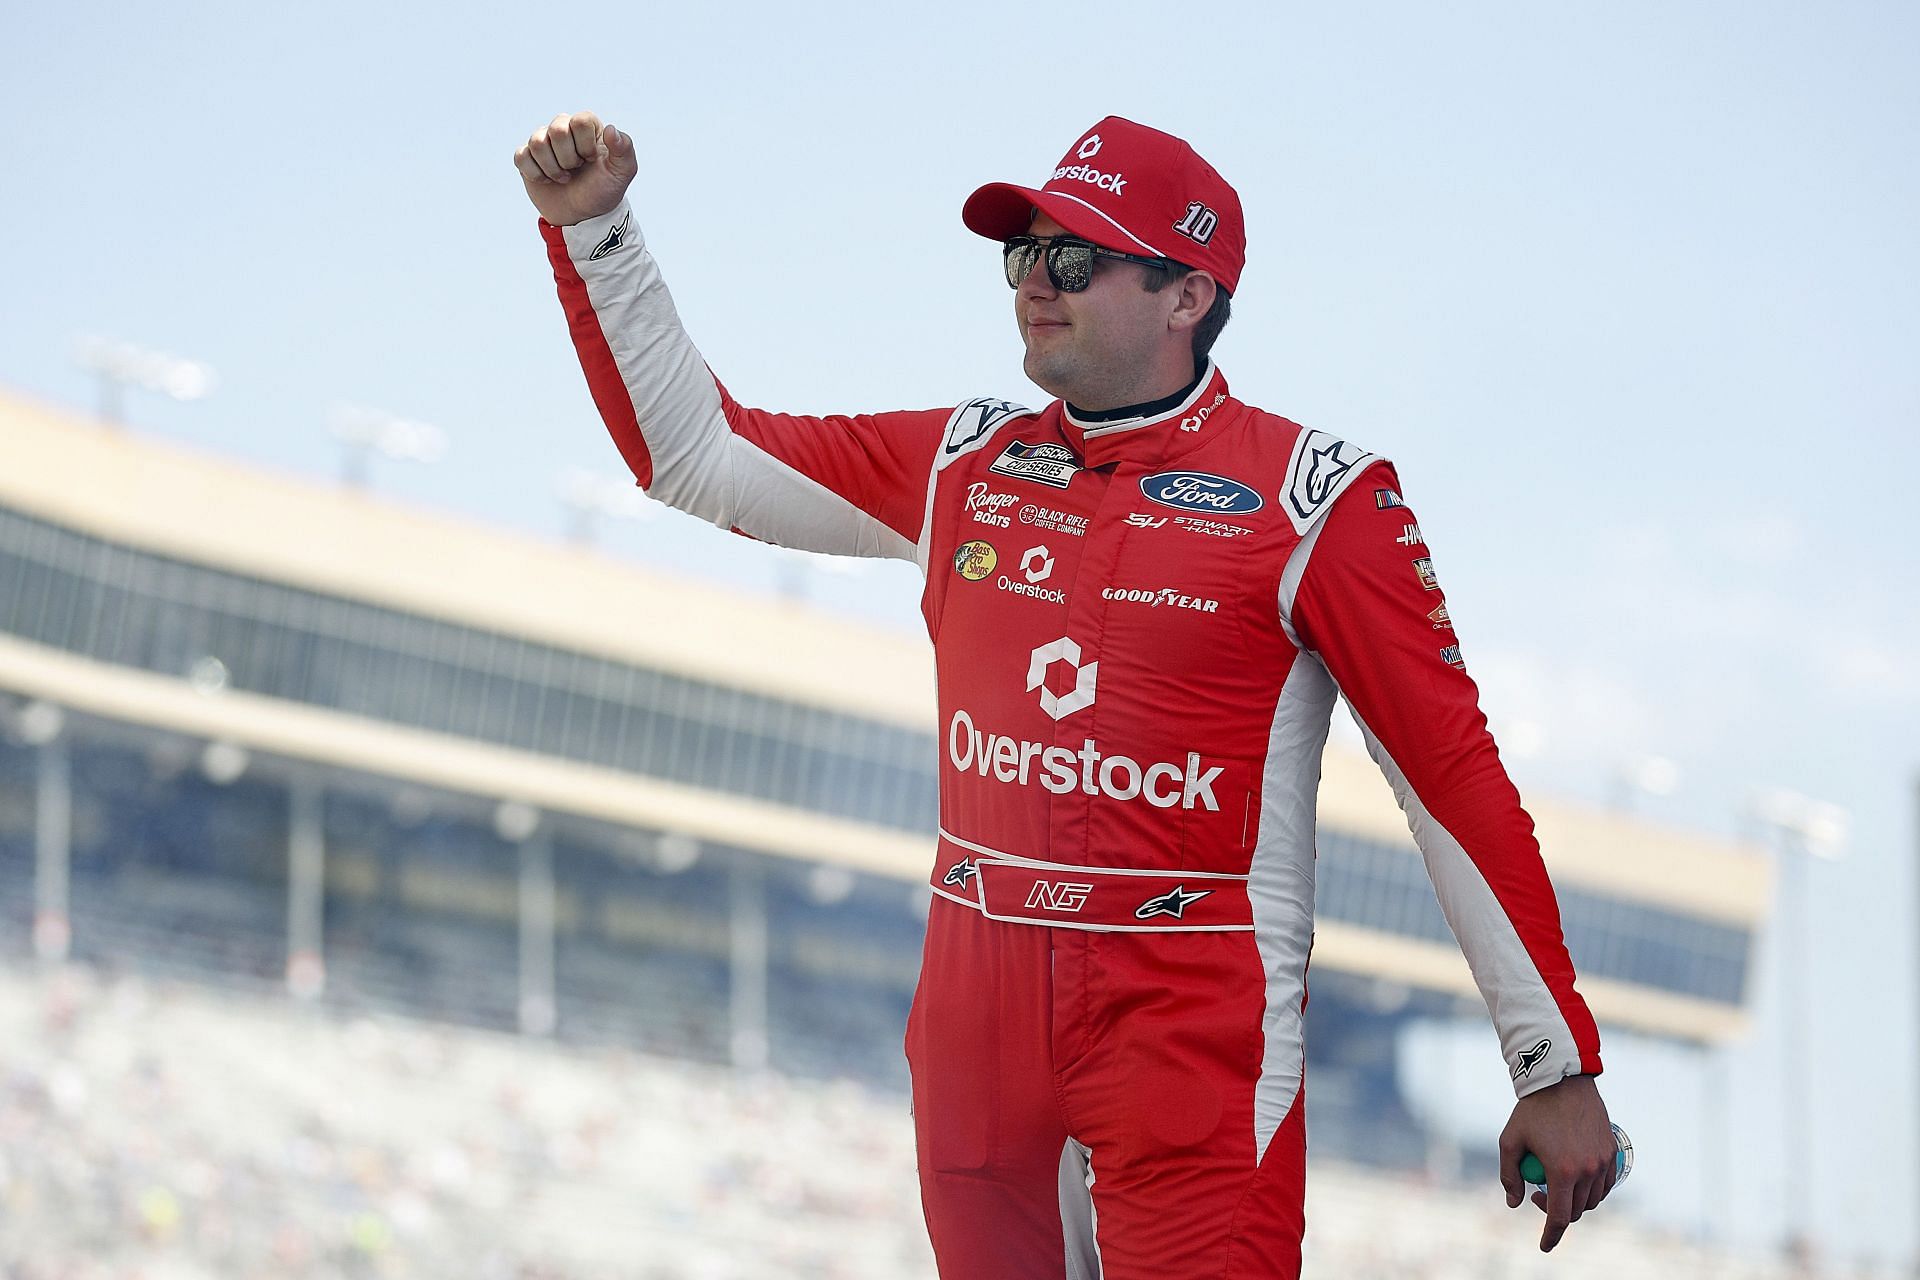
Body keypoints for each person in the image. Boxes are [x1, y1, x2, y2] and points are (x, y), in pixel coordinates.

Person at [515, 110, 1619, 1278]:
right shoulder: (964, 459)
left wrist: (1553, 1063)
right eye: (1023, 255)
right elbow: (698, 456)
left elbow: (1452, 785)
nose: (1037, 286)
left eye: (1076, 261)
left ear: (1187, 295)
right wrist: (599, 235)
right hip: (977, 1024)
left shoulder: (1322, 499)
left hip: (1192, 1036)